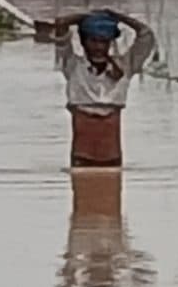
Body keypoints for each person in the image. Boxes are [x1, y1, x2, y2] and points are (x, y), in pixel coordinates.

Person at [55, 9, 155, 169]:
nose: (98, 46)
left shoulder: (125, 65)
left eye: (103, 41)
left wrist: (118, 16)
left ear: (109, 42)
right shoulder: (73, 65)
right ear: (83, 41)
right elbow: (61, 24)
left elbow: (146, 35)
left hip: (111, 154)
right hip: (82, 153)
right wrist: (86, 16)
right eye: (93, 40)